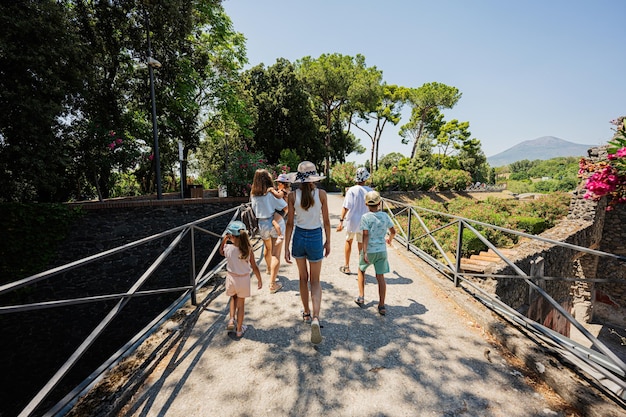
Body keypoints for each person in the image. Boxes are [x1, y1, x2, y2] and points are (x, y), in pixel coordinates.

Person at [284, 161, 331, 345]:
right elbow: (326, 221)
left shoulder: (292, 195)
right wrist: (328, 241)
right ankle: (316, 318)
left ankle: (306, 313)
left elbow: (289, 223)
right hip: (315, 237)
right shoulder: (321, 194)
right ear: (314, 177)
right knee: (316, 281)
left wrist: (286, 246)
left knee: (303, 278)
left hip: (299, 237)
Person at [355, 190, 396, 316]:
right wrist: (389, 239)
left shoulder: (365, 217)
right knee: (380, 277)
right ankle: (382, 305)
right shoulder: (385, 216)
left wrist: (365, 251)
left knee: (361, 270)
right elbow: (393, 231)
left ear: (366, 204)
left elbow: (365, 235)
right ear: (379, 203)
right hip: (382, 251)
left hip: (370, 250)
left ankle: (361, 296)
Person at [219, 220, 263, 338]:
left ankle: (231, 320)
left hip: (231, 278)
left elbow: (221, 251)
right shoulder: (248, 249)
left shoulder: (228, 248)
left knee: (233, 298)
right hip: (243, 280)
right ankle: (239, 330)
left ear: (231, 236)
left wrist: (224, 239)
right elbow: (254, 266)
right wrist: (259, 279)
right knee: (241, 305)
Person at [250, 169, 287, 293]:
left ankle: (268, 269)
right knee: (276, 254)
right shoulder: (271, 194)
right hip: (273, 222)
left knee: (267, 248)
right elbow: (285, 207)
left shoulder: (253, 195)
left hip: (262, 224)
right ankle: (272, 284)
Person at [336, 167, 373, 275]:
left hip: (352, 220)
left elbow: (346, 206)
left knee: (349, 241)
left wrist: (341, 220)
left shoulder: (352, 190)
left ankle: (347, 266)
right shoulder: (370, 191)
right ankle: (361, 267)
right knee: (361, 245)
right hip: (365, 221)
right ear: (366, 178)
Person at [271, 173, 291, 243]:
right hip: (284, 209)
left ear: (282, 184)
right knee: (276, 221)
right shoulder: (288, 191)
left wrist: (272, 191)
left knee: (274, 221)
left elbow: (278, 196)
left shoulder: (282, 191)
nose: (277, 185)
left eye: (278, 183)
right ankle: (280, 235)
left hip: (281, 210)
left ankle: (280, 235)